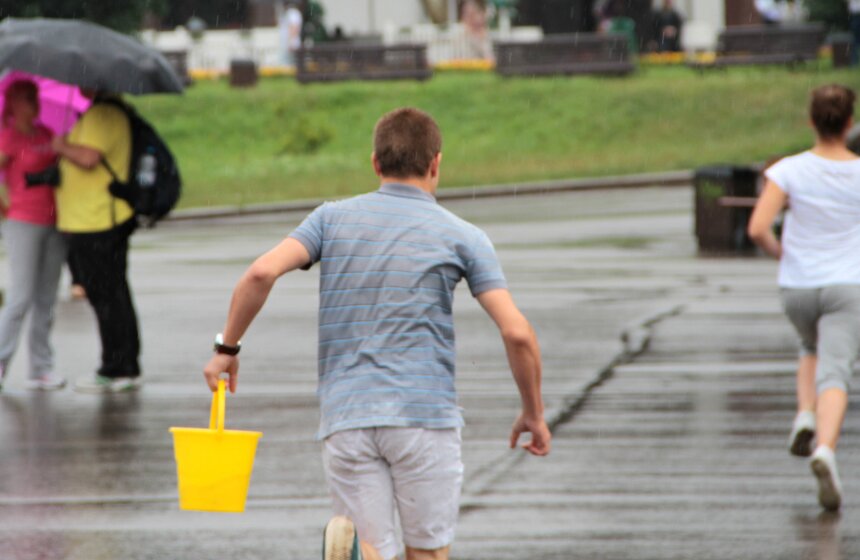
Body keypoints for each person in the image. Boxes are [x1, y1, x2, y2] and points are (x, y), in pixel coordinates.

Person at [203, 108, 551, 560]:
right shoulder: (463, 236)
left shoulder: (330, 220)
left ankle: (360, 553)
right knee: (427, 552)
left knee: (372, 547)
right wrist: (533, 413)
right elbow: (517, 334)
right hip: (423, 416)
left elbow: (259, 273)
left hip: (346, 415)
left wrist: (225, 349)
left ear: (375, 163)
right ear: (436, 164)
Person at [748, 84, 860, 512]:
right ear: (849, 123)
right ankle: (825, 449)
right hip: (847, 285)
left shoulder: (788, 171)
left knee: (808, 345)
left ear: (811, 120)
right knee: (835, 372)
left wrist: (785, 255)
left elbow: (759, 227)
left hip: (797, 286)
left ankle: (804, 415)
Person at [51, 89, 141, 393]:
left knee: (107, 296)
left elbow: (89, 157)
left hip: (99, 220)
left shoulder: (103, 113)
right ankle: (122, 365)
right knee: (110, 293)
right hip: (90, 219)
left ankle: (117, 367)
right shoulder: (100, 112)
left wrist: (61, 146)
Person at [0, 79, 68, 391]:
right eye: (28, 98)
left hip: (54, 220)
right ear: (13, 103)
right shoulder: (7, 138)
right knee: (20, 297)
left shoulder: (47, 134)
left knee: (47, 298)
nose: (34, 102)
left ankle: (40, 368)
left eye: (35, 96)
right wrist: (4, 204)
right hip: (22, 221)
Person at [280, 1, 304, 67]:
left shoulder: (293, 13)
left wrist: (291, 42)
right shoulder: (290, 13)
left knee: (291, 65)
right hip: (289, 43)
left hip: (291, 44)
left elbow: (294, 28)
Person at [850, 0, 860, 66]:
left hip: (855, 14)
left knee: (854, 39)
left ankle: (854, 60)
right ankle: (854, 61)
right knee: (854, 39)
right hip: (855, 15)